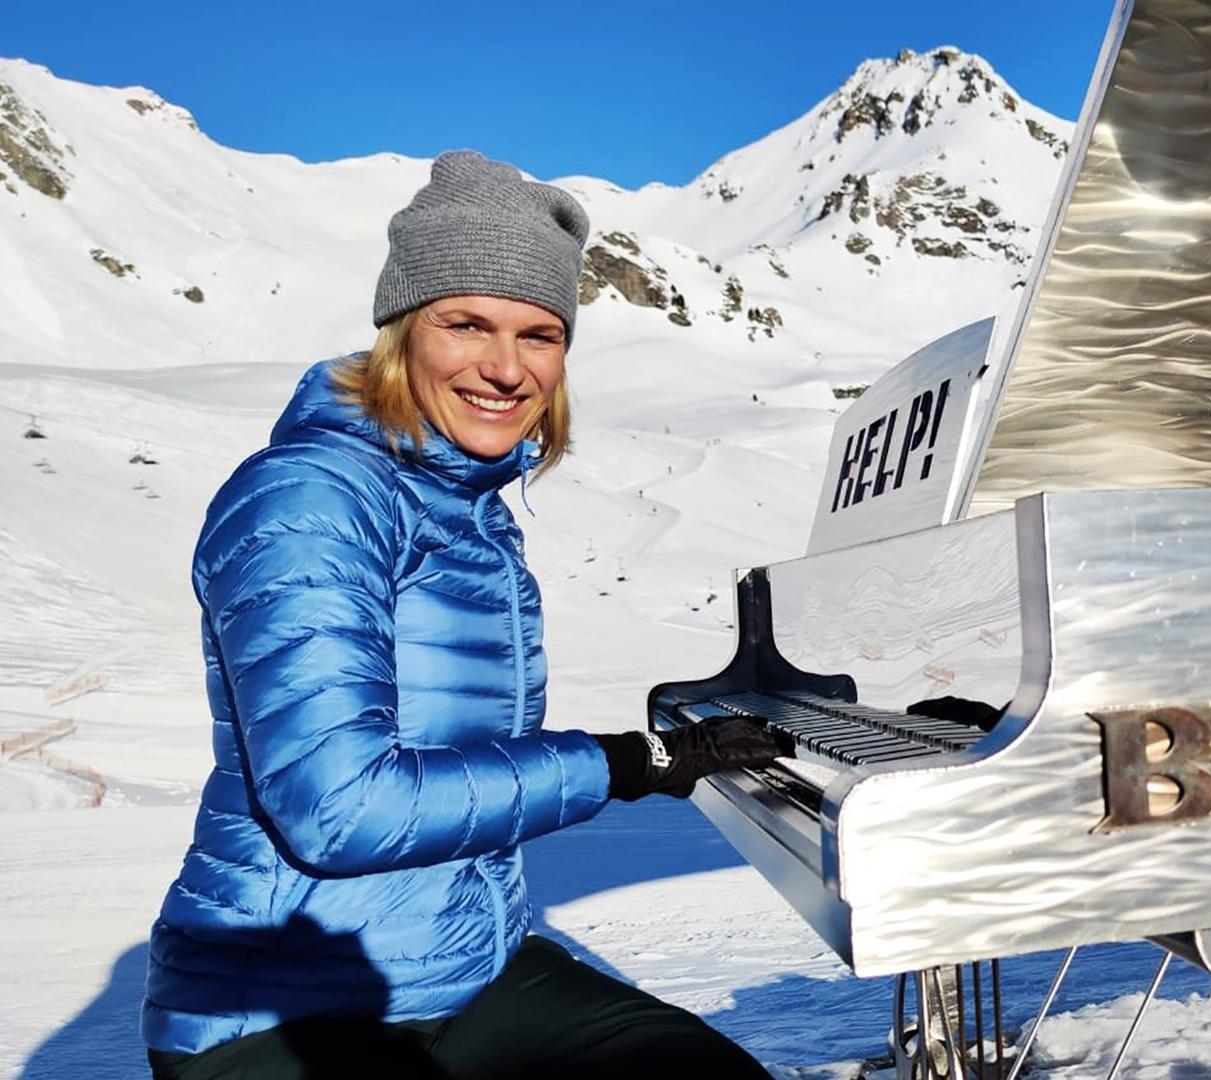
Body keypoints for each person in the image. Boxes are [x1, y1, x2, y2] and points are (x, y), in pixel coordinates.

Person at [141, 150, 789, 1079]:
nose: (506, 367)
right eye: (467, 324)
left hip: (464, 974)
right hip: (277, 1009)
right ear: (402, 332)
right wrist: (623, 763)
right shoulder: (314, 498)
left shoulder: (469, 509)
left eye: (540, 335)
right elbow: (340, 809)